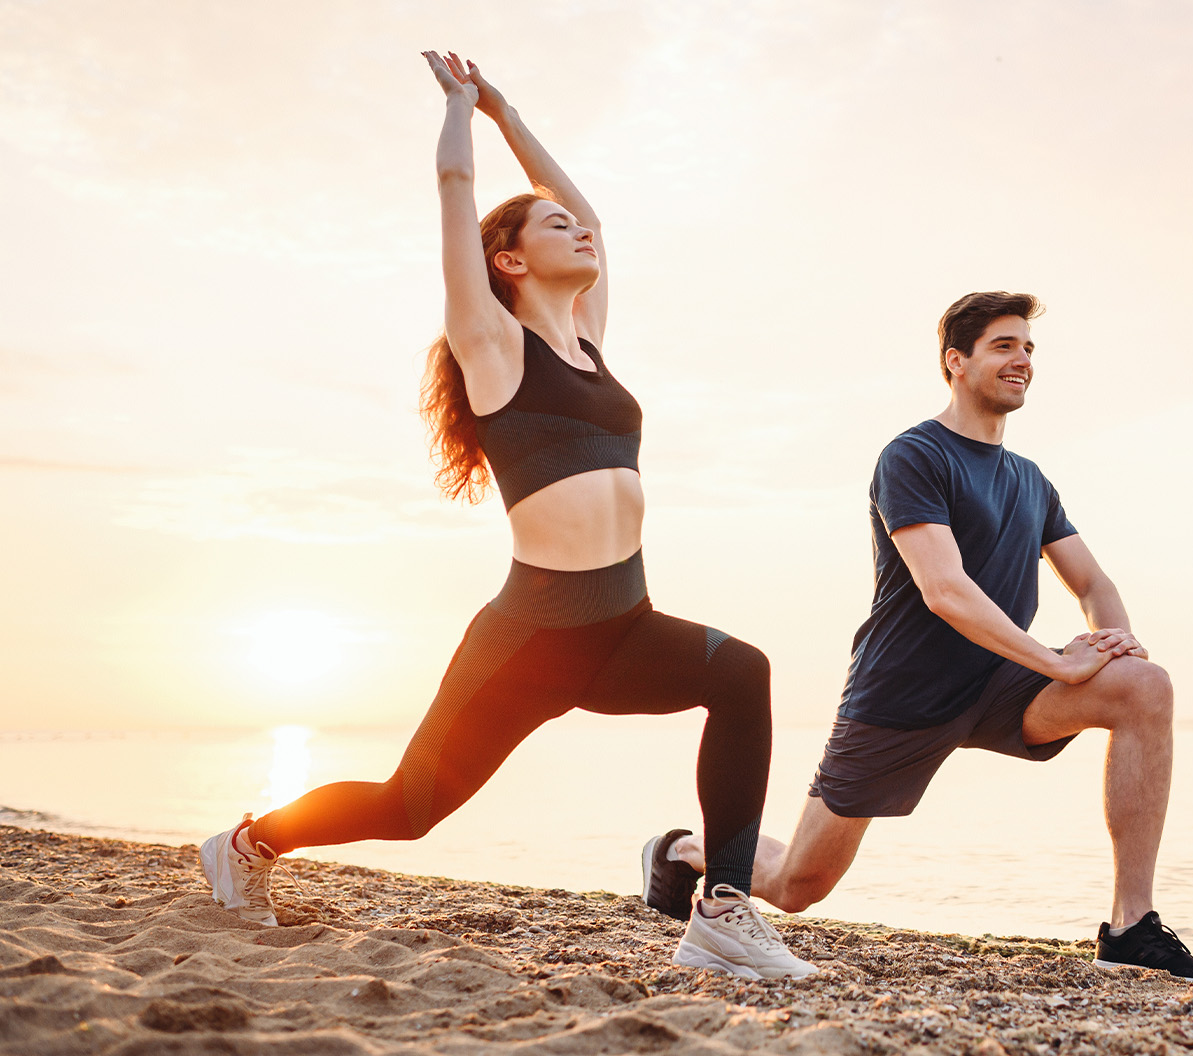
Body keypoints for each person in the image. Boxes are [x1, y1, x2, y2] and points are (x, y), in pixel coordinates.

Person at [197, 51, 813, 981]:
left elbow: (593, 214)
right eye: (552, 225)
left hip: (623, 623)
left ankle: (722, 908)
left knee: (742, 674)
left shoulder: (590, 341)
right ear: (509, 260)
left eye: (578, 224)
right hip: (529, 637)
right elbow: (453, 185)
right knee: (411, 806)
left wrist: (514, 111)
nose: (582, 231)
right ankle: (248, 842)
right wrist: (462, 110)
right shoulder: (491, 345)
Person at [642, 291, 1193, 982]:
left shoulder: (1032, 483)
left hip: (1002, 684)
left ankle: (1131, 926)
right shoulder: (914, 456)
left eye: (1029, 348)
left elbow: (1093, 585)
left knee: (1144, 687)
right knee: (800, 885)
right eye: (1005, 346)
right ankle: (682, 852)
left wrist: (1115, 644)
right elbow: (943, 590)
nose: (1023, 360)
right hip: (902, 694)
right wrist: (1058, 663)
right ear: (956, 361)